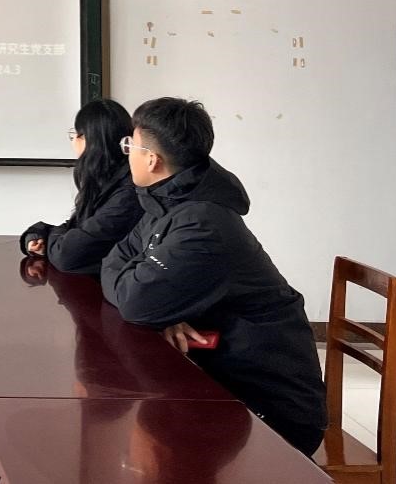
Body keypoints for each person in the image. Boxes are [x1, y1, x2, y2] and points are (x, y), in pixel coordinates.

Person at [100, 97, 327, 456]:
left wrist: (155, 303)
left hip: (269, 408)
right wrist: (164, 307)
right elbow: (114, 260)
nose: (126, 153)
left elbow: (134, 302)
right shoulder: (167, 202)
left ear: (152, 159)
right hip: (219, 376)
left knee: (141, 429)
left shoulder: (203, 224)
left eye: (130, 145)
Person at [19, 98, 142, 275]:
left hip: (108, 287)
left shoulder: (128, 194)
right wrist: (39, 233)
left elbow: (66, 255)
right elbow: (76, 230)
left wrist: (48, 235)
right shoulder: (107, 180)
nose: (73, 140)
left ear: (89, 139)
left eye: (76, 134)